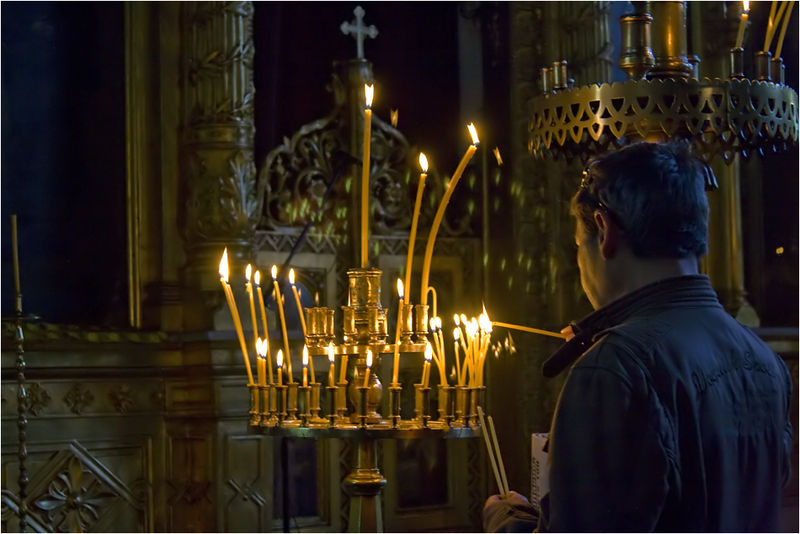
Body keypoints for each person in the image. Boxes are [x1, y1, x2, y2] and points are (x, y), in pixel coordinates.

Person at [482, 142, 793, 532]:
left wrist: (506, 523)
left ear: (604, 229)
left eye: (578, 245)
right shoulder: (764, 360)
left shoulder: (614, 369)